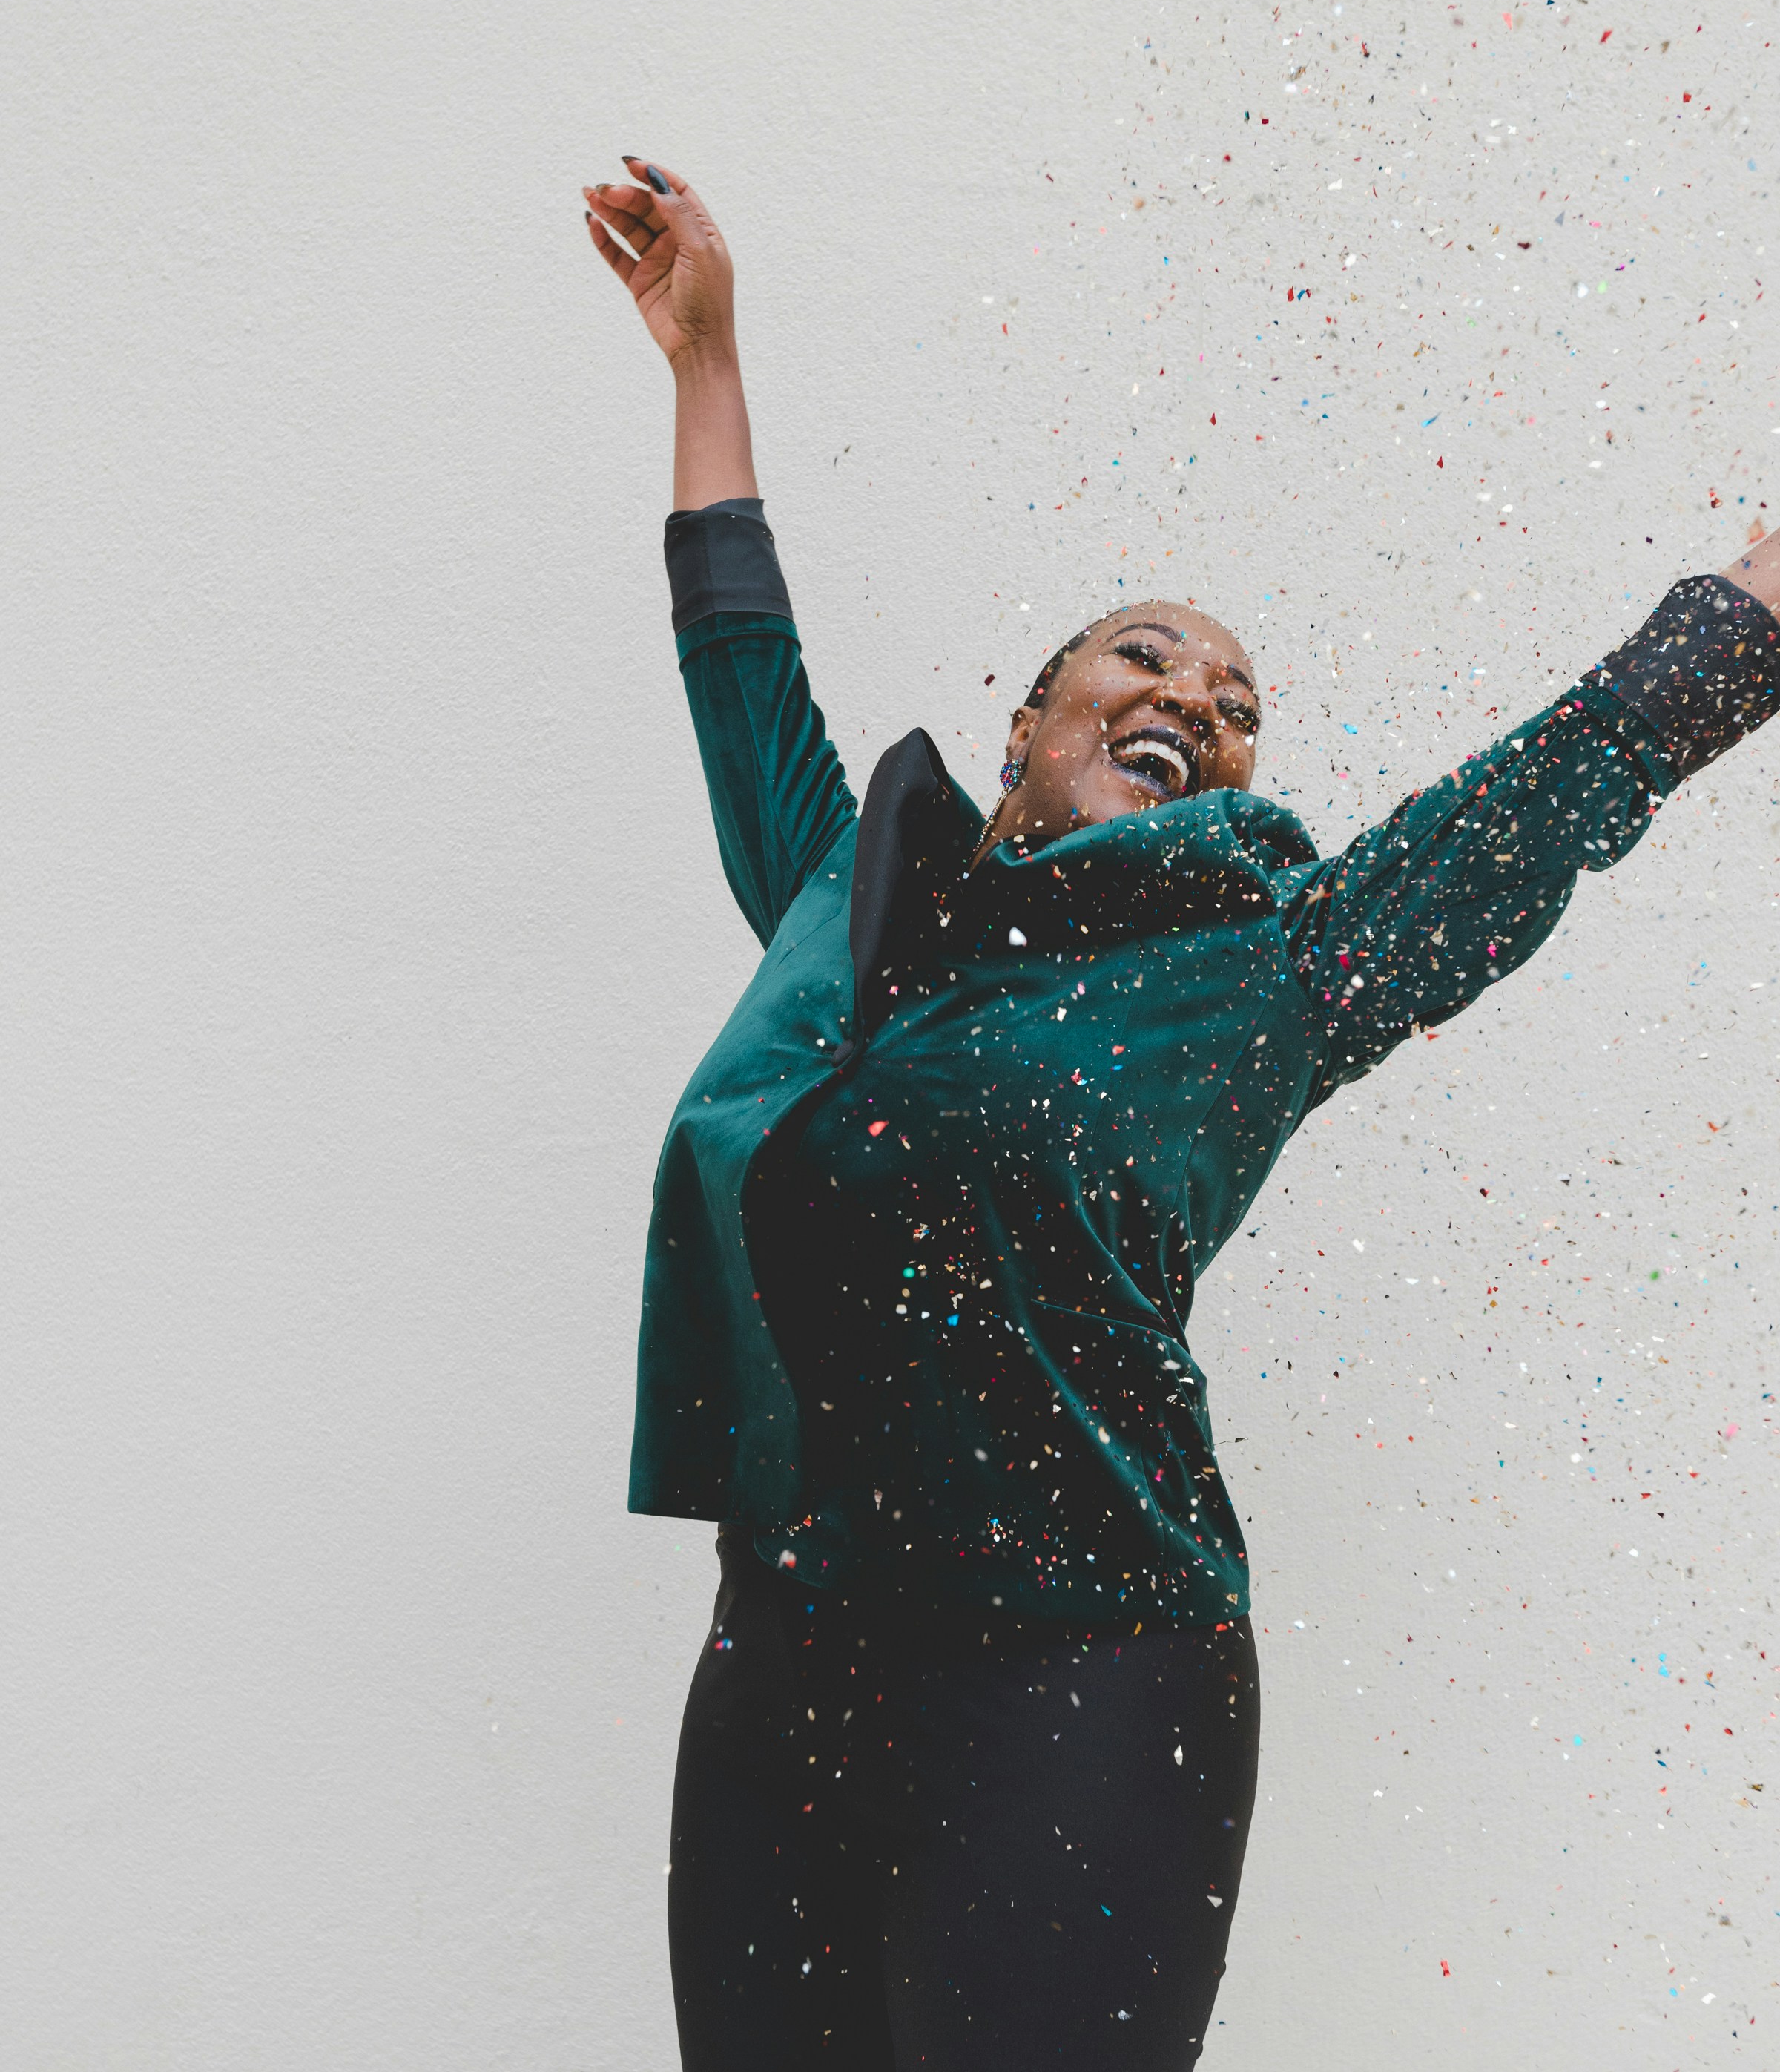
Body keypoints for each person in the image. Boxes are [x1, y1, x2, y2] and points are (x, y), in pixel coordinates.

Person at [584, 156, 1780, 2071]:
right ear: (1028, 728)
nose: (1200, 702)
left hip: (1083, 1688)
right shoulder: (856, 912)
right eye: (1145, 656)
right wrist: (706, 359)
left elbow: (1528, 813)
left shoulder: (1263, 972)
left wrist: (1757, 603)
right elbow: (744, 679)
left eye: (1238, 704)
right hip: (786, 1670)